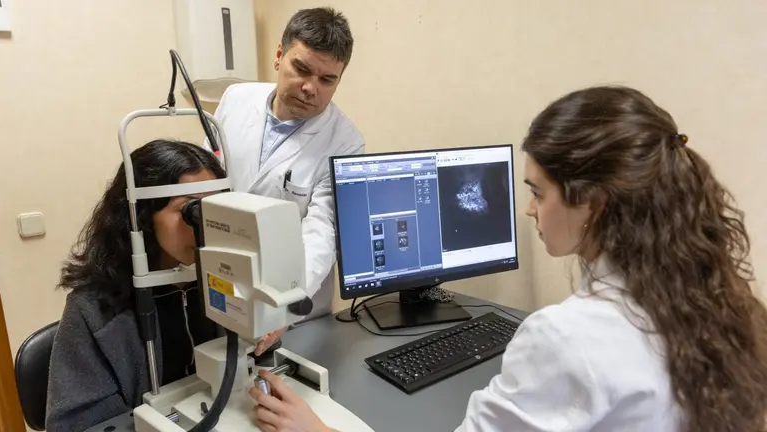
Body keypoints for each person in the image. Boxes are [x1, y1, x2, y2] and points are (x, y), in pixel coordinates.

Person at [247, 86, 767, 432]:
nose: (529, 210)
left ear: (594, 201)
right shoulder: (704, 297)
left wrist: (322, 431)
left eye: (539, 192)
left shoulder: (567, 338)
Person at [207, 7, 364, 356]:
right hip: (220, 281)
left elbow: (322, 232)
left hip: (295, 311)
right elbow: (207, 177)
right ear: (279, 56)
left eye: (328, 80)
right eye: (302, 69)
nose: (311, 89)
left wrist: (285, 305)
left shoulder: (346, 144)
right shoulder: (235, 99)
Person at [46, 140, 226, 431]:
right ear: (141, 215)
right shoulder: (93, 309)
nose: (206, 226)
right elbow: (78, 425)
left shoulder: (224, 281)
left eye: (214, 208)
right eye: (191, 211)